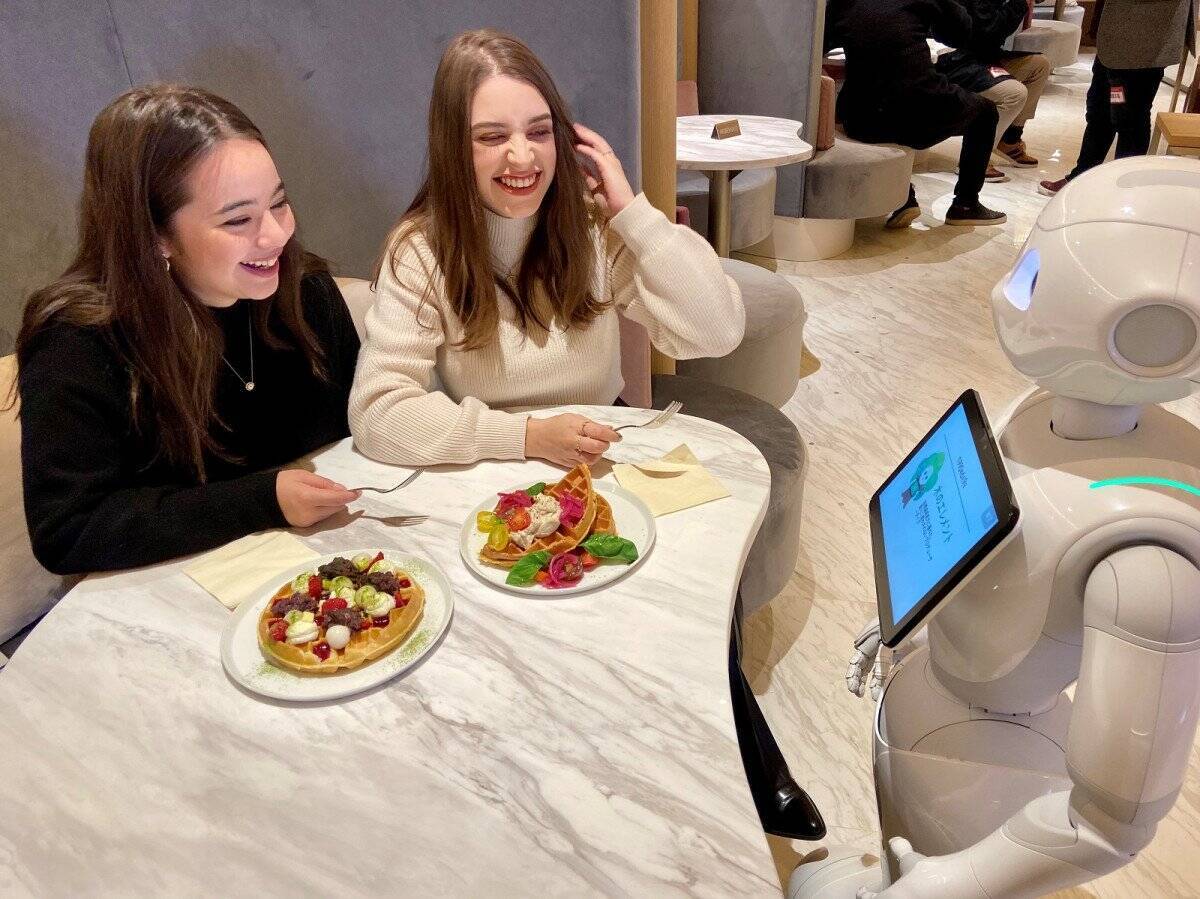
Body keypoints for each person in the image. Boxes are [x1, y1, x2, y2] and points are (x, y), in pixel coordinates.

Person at [348, 29, 744, 468]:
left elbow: (716, 332)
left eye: (538, 131)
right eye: (491, 137)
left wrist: (636, 216)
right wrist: (529, 437)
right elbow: (377, 412)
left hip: (599, 458)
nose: (522, 157)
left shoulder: (593, 228)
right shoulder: (421, 250)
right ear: (453, 148)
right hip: (490, 467)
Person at [11, 85, 362, 575]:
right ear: (155, 235)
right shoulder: (78, 341)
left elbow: (358, 431)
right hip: (163, 593)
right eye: (238, 219)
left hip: (334, 567)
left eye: (279, 204)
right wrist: (263, 500)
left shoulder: (304, 292)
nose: (276, 235)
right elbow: (69, 530)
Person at [825, 0, 1007, 227]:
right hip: (919, 113)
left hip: (862, 119)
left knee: (862, 102)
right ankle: (966, 205)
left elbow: (820, 42)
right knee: (985, 113)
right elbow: (959, 34)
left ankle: (903, 194)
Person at [1040, 0, 1196, 195]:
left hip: (1146, 36)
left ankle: (1123, 190)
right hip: (1116, 39)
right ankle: (1082, 178)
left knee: (1129, 118)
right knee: (1100, 111)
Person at [936, 0, 1052, 179]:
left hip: (980, 55)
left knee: (1039, 66)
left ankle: (1010, 140)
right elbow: (989, 30)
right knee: (1014, 93)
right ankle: (974, 160)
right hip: (954, 60)